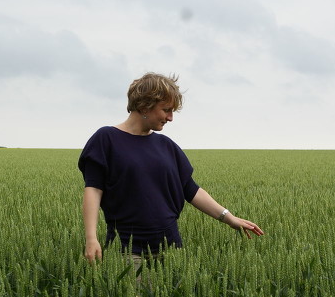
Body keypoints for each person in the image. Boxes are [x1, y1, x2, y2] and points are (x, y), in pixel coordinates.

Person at [78, 72, 264, 264]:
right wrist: (91, 238)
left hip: (171, 247)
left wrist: (230, 218)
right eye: (166, 110)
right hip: (128, 248)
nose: (170, 117)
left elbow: (190, 189)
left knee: (174, 293)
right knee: (136, 295)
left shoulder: (166, 146)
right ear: (144, 106)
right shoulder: (106, 139)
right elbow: (93, 189)